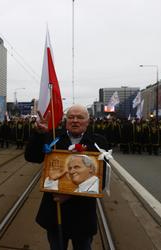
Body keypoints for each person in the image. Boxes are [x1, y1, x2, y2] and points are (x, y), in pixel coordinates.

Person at [25, 104, 109, 250]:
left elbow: (100, 181)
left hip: (82, 216)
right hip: (55, 214)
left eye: (80, 117)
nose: (75, 120)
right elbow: (32, 157)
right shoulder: (53, 138)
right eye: (71, 117)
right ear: (66, 120)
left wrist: (70, 195)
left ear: (88, 122)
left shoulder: (98, 143)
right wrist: (38, 134)